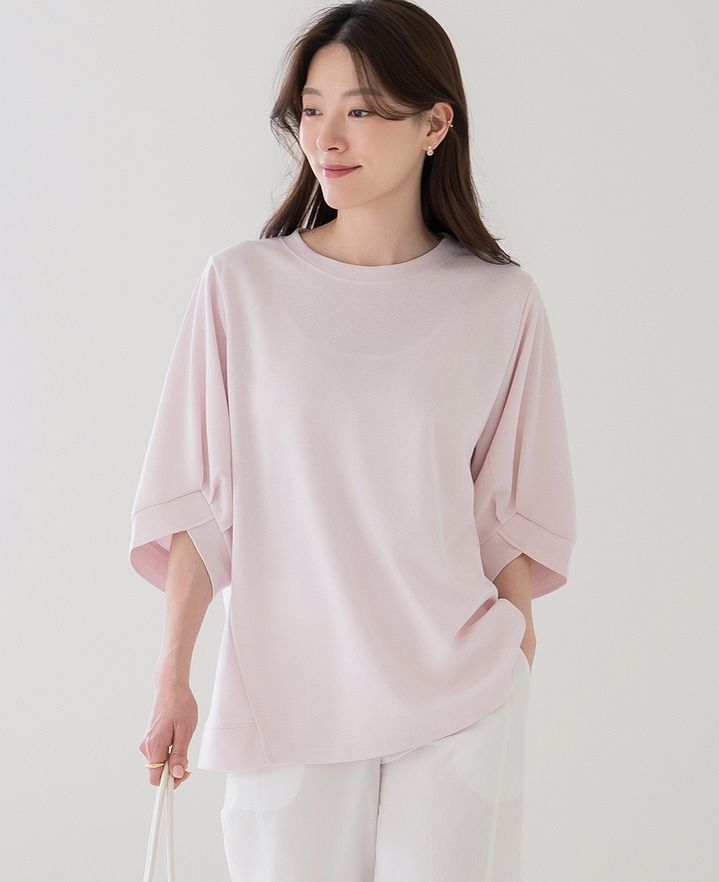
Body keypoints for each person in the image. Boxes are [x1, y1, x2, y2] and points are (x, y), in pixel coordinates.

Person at [129, 1, 577, 879]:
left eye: (362, 109)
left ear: (434, 124)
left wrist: (517, 664)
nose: (326, 137)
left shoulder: (500, 302)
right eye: (311, 109)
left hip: (461, 697)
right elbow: (200, 502)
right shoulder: (241, 288)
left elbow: (505, 520)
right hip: (286, 692)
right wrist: (172, 673)